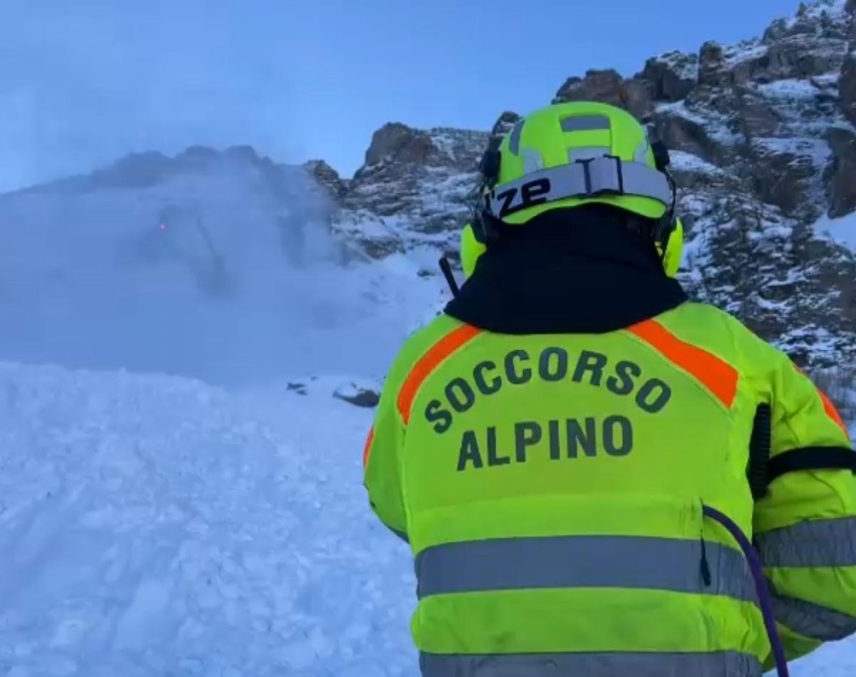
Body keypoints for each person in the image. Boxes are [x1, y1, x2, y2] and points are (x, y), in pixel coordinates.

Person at [362, 101, 856, 677]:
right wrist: (728, 640)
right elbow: (838, 567)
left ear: (490, 220)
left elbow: (395, 504)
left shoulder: (423, 365)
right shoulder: (732, 356)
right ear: (660, 224)